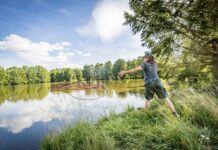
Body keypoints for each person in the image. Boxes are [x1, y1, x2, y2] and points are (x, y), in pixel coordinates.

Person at [118, 51, 179, 117]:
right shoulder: (155, 63)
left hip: (149, 83)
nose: (143, 58)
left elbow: (135, 69)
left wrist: (124, 72)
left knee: (148, 100)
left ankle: (146, 114)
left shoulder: (145, 64)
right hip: (157, 82)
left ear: (149, 58)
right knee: (165, 98)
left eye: (145, 57)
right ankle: (175, 113)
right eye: (143, 57)